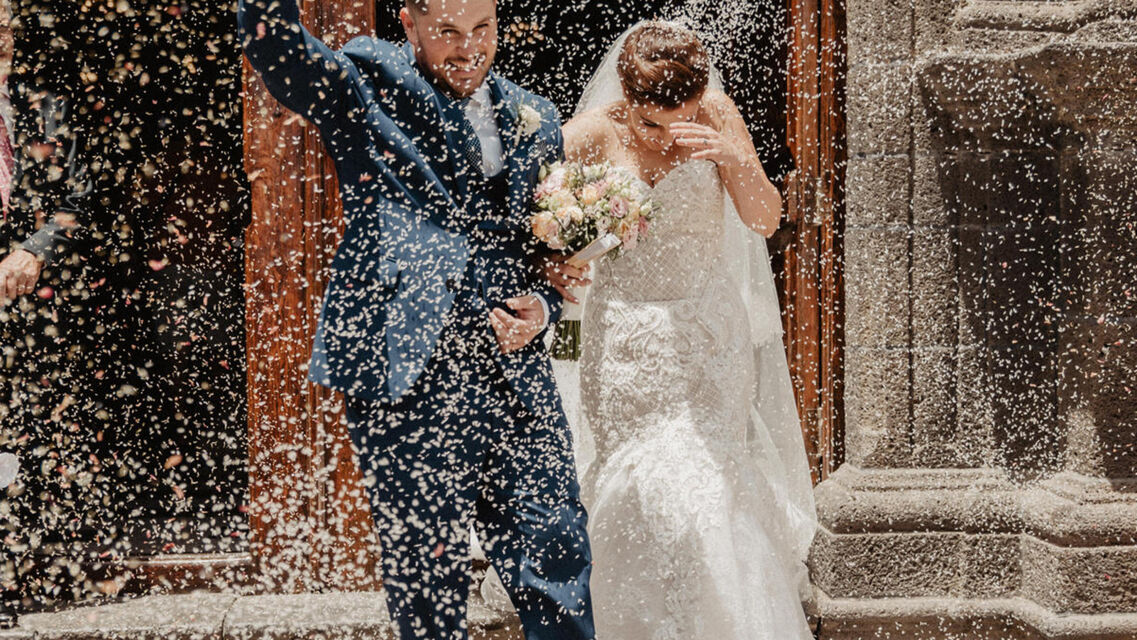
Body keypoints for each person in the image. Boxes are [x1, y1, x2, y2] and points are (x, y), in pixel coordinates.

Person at [237, 0, 594, 638]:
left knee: (557, 544)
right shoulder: (367, 81)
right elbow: (280, 51)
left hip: (513, 373)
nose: (470, 48)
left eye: (483, 29)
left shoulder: (534, 115)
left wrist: (543, 306)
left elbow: (546, 248)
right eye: (449, 33)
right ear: (408, 24)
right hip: (411, 369)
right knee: (428, 575)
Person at [549, 21, 818, 638]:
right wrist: (566, 248)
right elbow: (538, 219)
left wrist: (731, 158)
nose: (670, 138)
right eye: (652, 125)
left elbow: (764, 217)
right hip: (626, 344)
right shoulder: (591, 133)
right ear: (624, 100)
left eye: (682, 121)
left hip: (709, 339)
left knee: (711, 476)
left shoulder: (719, 117)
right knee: (634, 475)